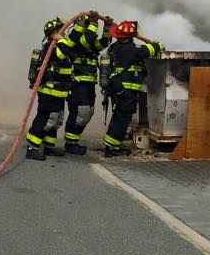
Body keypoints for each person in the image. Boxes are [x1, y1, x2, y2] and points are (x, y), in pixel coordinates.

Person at [102, 20, 165, 157]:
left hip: (118, 89)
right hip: (126, 91)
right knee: (122, 118)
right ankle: (112, 149)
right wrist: (158, 44)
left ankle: (112, 144)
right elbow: (151, 49)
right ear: (130, 37)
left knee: (119, 117)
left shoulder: (115, 47)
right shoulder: (131, 50)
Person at [25, 17, 79, 161]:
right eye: (60, 30)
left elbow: (70, 56)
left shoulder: (60, 44)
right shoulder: (53, 46)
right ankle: (32, 147)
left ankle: (49, 146)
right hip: (49, 91)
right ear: (54, 33)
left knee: (56, 120)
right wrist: (60, 39)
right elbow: (62, 54)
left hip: (59, 91)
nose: (63, 33)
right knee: (46, 119)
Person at [62, 12, 112, 155]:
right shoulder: (75, 41)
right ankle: (70, 143)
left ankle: (73, 140)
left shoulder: (89, 45)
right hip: (77, 83)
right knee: (80, 112)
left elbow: (103, 43)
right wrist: (95, 23)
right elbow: (87, 39)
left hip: (88, 83)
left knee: (88, 112)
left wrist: (107, 27)